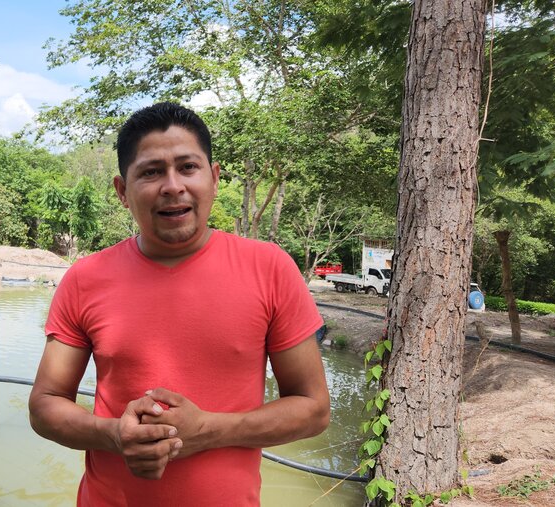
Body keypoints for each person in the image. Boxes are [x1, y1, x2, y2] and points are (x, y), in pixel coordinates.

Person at [29, 102, 330, 506]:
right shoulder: (85, 278)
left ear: (215, 177)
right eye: (151, 172)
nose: (172, 186)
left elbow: (313, 409)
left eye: (188, 167)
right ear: (122, 191)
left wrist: (208, 429)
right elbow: (45, 405)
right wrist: (114, 435)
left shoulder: (270, 268)